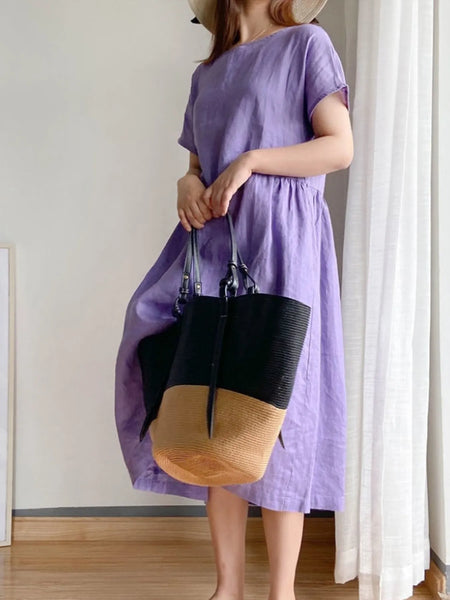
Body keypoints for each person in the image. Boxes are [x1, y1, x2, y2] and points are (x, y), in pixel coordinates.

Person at [114, 1, 353, 599]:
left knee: (278, 412)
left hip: (284, 243)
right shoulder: (208, 73)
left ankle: (281, 592)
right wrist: (187, 182)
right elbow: (197, 164)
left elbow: (338, 148)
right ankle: (229, 587)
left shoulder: (305, 46)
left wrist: (252, 161)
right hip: (218, 245)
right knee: (215, 408)